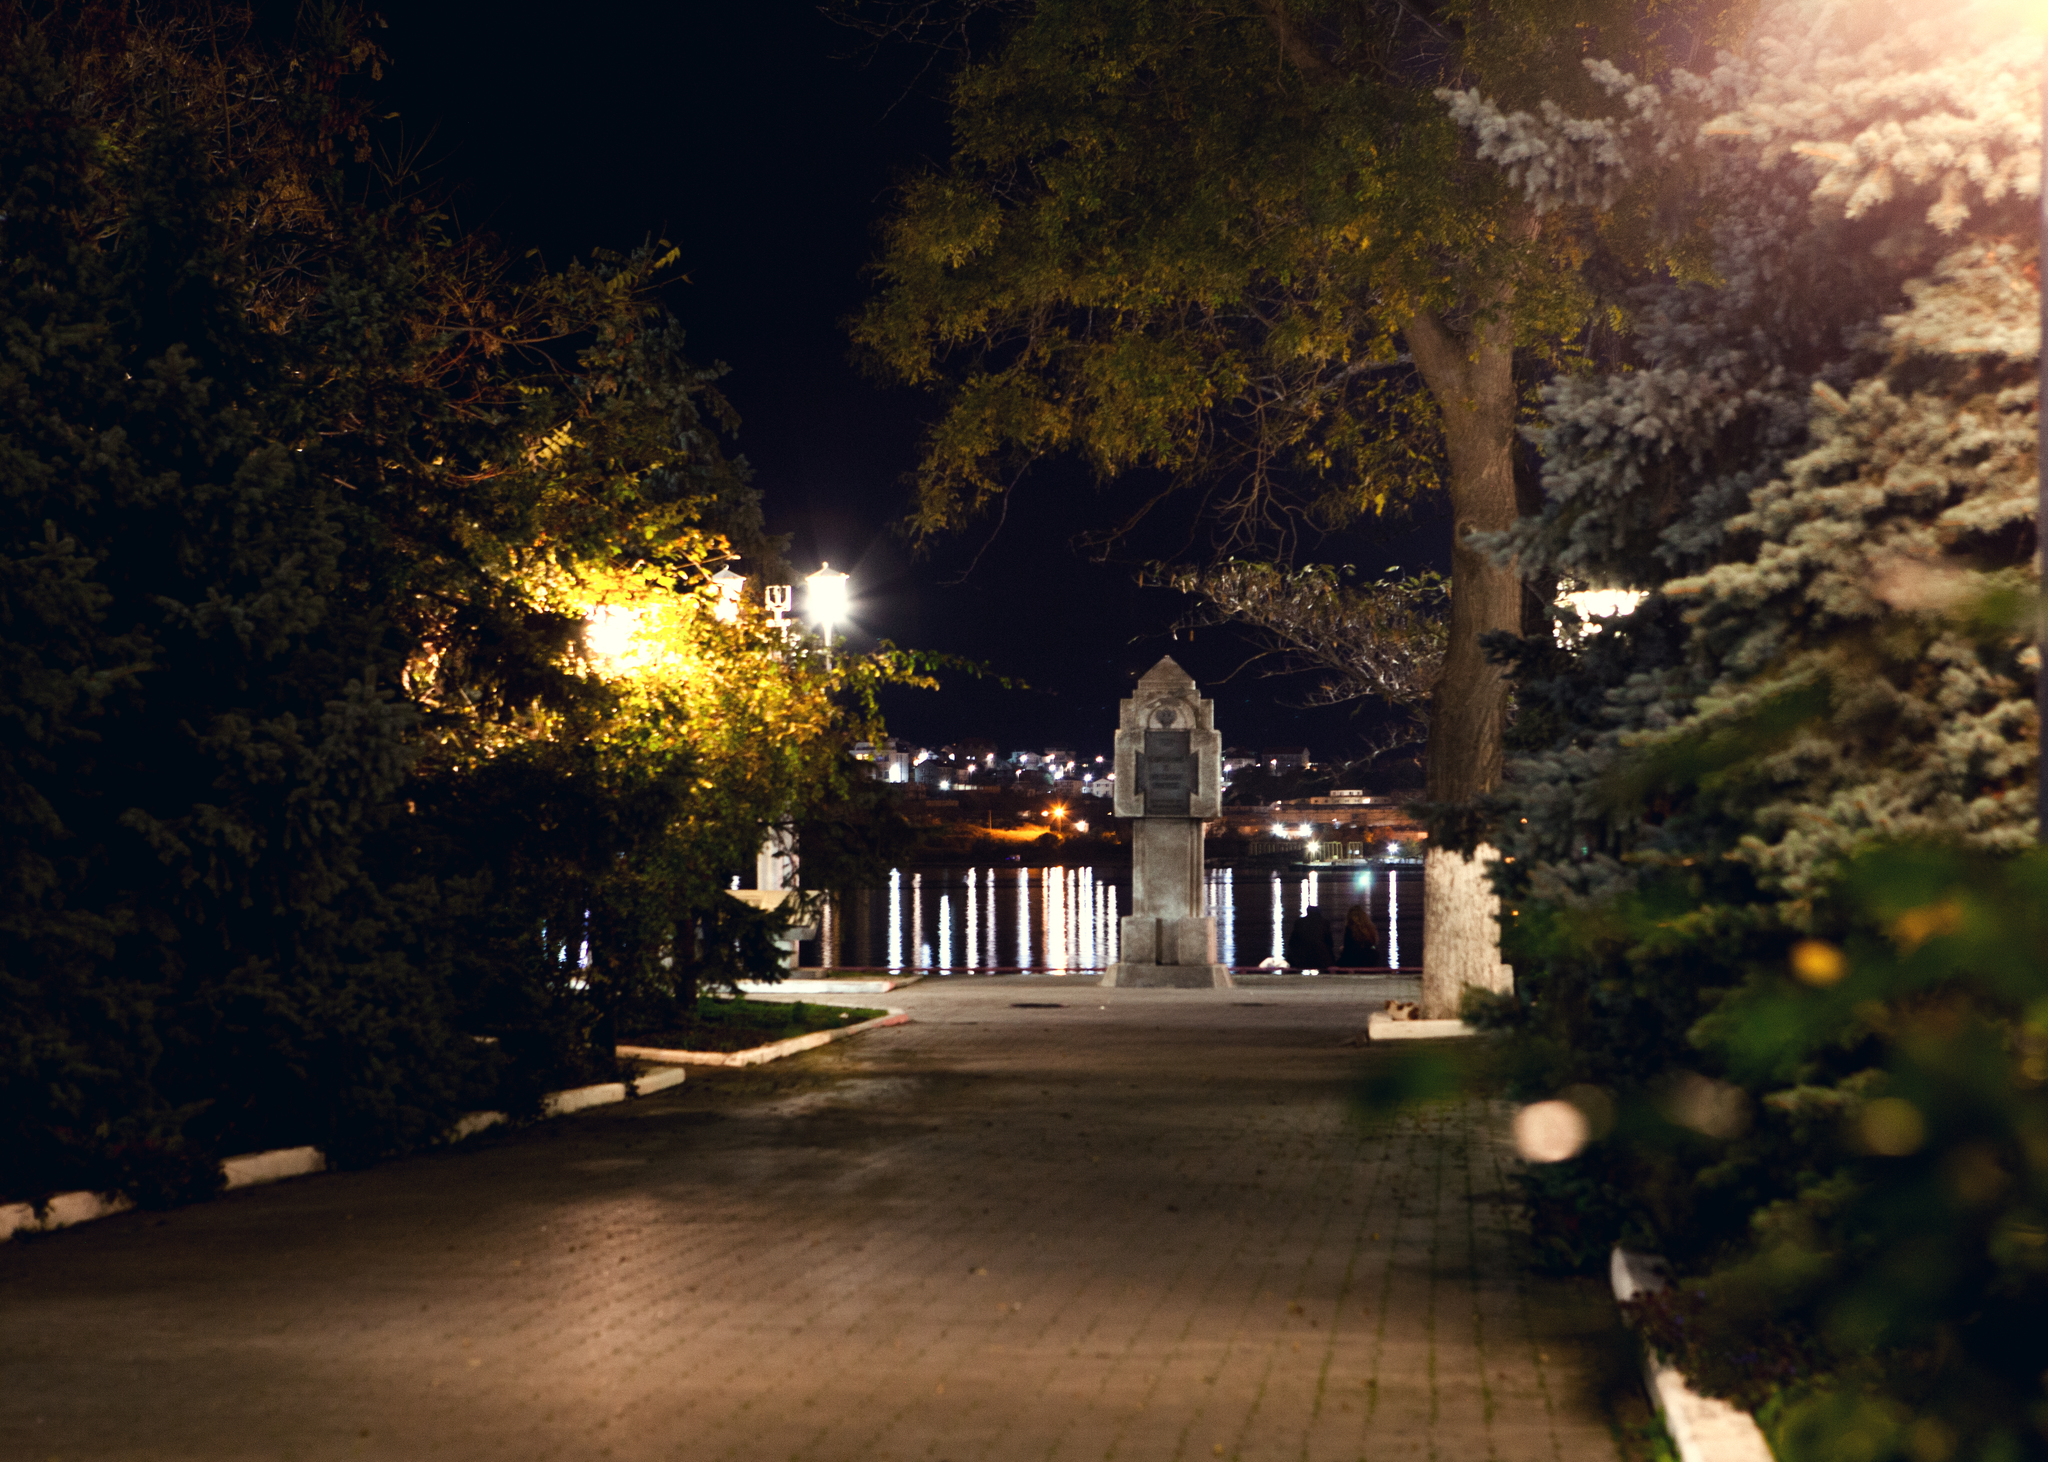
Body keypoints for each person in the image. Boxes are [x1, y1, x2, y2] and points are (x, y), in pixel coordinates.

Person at [1284, 905, 1335, 972]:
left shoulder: (1299, 922)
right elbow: (1330, 943)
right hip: (1321, 959)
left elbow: (1292, 942)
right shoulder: (1325, 923)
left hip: (1301, 958)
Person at [1340, 901, 1381, 968]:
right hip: (1370, 958)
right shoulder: (1370, 928)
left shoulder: (1350, 929)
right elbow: (1373, 943)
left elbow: (1348, 948)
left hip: (1354, 959)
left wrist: (1342, 950)